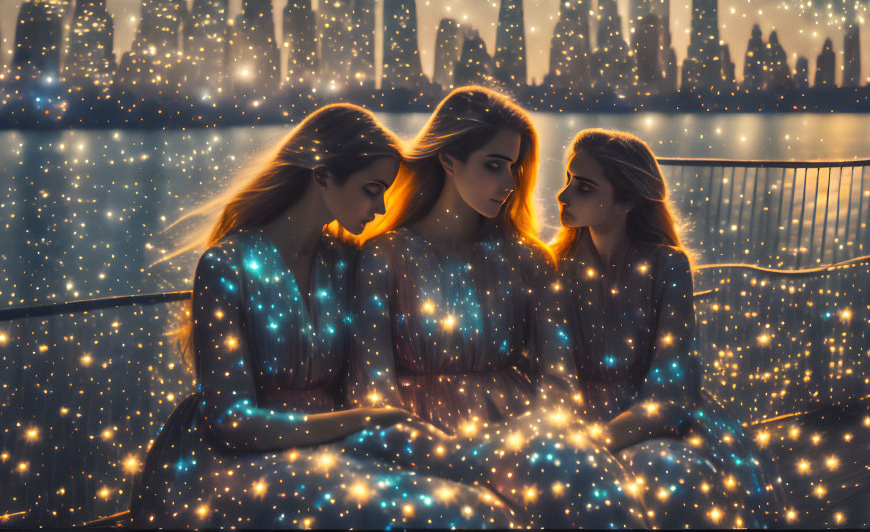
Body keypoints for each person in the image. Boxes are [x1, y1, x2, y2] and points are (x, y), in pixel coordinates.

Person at [130, 104, 513, 529]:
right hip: (239, 463)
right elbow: (233, 422)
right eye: (372, 189)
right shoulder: (226, 265)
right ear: (323, 174)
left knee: (484, 492)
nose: (382, 207)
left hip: (336, 447)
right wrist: (370, 419)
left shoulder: (347, 262)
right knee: (444, 512)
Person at [350, 86, 647, 529]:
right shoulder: (383, 257)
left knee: (593, 495)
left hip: (525, 434)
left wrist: (523, 437)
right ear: (449, 160)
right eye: (493, 166)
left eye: (514, 168)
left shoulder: (528, 260)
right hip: (418, 439)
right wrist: (447, 454)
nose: (508, 185)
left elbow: (559, 381)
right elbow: (371, 393)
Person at [553, 128, 784, 529]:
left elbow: (670, 389)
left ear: (626, 201)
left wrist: (602, 441)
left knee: (668, 479)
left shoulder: (668, 266)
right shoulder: (554, 267)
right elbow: (551, 375)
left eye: (584, 187)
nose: (563, 195)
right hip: (572, 417)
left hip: (655, 419)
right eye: (569, 180)